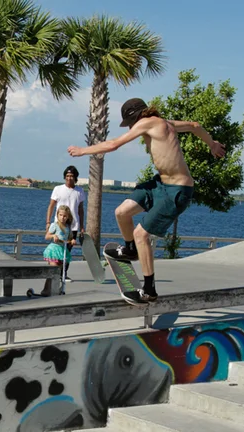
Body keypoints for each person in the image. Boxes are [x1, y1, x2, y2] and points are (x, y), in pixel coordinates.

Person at [67, 97, 225, 305]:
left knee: (141, 233)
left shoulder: (146, 122)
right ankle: (130, 249)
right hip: (159, 184)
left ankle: (149, 290)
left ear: (135, 116)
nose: (132, 127)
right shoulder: (166, 123)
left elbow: (114, 144)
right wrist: (212, 143)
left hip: (178, 190)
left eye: (130, 123)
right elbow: (195, 126)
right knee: (122, 212)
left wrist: (83, 150)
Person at [45, 165, 85, 281]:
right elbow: (51, 206)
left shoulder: (80, 191)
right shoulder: (58, 189)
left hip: (73, 226)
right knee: (57, 248)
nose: (69, 178)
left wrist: (82, 226)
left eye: (72, 176)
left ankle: (64, 273)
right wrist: (48, 222)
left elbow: (81, 210)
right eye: (67, 176)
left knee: (67, 251)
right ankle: (55, 272)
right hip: (59, 225)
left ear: (75, 177)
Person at [39, 205, 76, 295]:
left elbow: (68, 239)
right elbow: (47, 236)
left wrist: (72, 240)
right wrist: (53, 236)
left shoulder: (67, 227)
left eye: (64, 216)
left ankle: (54, 289)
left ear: (68, 217)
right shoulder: (54, 225)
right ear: (57, 215)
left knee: (58, 272)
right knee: (53, 270)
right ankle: (46, 290)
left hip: (62, 251)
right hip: (54, 250)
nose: (62, 218)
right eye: (60, 215)